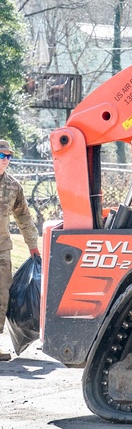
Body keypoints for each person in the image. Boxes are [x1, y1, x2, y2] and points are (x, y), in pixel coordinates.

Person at [0, 140, 38, 361]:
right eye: (2, 156)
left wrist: (33, 245)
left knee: (2, 295)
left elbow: (23, 217)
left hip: (2, 249)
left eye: (9, 157)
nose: (6, 160)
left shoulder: (13, 187)